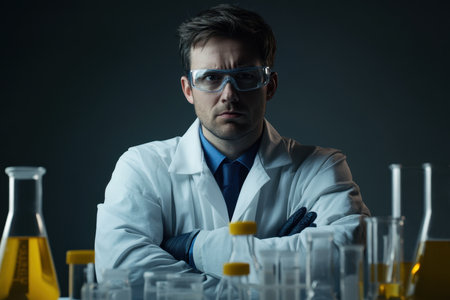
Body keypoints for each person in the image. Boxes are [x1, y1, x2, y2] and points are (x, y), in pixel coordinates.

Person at [95, 4, 370, 299]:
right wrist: (268, 272)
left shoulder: (321, 167)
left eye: (247, 76)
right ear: (188, 89)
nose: (229, 94)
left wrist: (193, 247)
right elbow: (121, 274)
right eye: (211, 78)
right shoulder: (142, 166)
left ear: (270, 85)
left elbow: (347, 258)